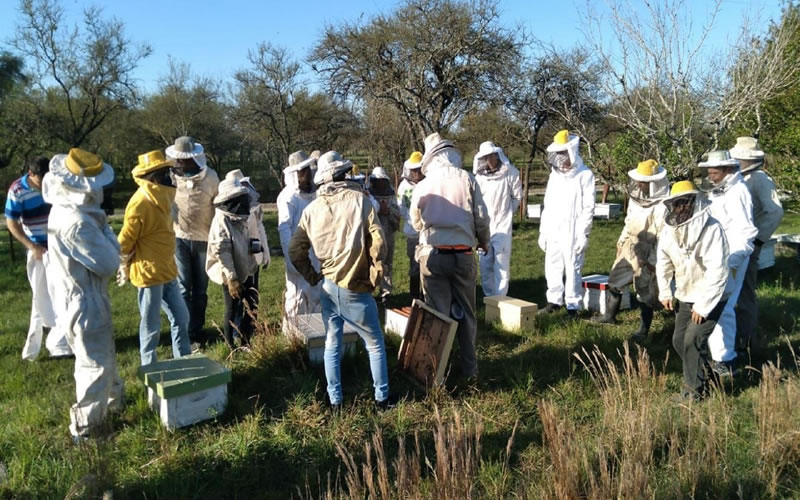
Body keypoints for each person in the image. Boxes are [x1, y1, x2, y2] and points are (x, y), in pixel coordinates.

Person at [288, 151, 392, 409]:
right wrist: (375, 274)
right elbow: (379, 243)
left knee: (332, 344)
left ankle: (336, 401)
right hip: (356, 287)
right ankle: (382, 399)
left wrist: (313, 276)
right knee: (375, 344)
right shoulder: (361, 201)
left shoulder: (312, 209)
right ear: (341, 175)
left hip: (328, 286)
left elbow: (294, 251)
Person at [41, 148, 124, 439]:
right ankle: (86, 430)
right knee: (94, 365)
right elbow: (110, 263)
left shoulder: (63, 209)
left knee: (98, 357)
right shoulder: (78, 223)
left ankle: (113, 407)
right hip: (85, 300)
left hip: (73, 297)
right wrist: (107, 231)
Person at [410, 133, 490, 380]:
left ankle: (435, 373)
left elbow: (415, 222)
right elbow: (481, 217)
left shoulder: (423, 185)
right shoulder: (467, 179)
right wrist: (483, 239)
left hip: (434, 255)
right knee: (467, 313)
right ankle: (470, 370)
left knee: (438, 315)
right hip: (464, 254)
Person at [656, 181, 730, 400]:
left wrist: (704, 305)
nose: (680, 208)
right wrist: (665, 292)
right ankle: (709, 376)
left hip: (712, 296)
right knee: (679, 341)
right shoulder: (669, 230)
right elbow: (663, 261)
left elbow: (718, 270)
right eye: (676, 204)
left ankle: (693, 392)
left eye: (684, 203)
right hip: (686, 294)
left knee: (692, 341)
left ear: (694, 202)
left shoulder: (712, 229)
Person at [118, 150, 191, 365]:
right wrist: (122, 261)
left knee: (181, 317)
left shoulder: (163, 198)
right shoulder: (140, 202)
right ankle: (148, 367)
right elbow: (125, 239)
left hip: (167, 269)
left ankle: (184, 361)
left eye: (167, 171)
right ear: (152, 177)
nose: (168, 176)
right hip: (148, 274)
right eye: (163, 172)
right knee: (151, 326)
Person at [591, 159, 669, 341]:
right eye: (639, 182)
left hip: (650, 249)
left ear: (653, 183)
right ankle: (609, 316)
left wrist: (653, 262)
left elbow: (664, 236)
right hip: (631, 245)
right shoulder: (636, 199)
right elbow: (629, 222)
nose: (639, 186)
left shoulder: (662, 204)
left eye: (643, 183)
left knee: (644, 291)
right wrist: (621, 243)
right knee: (615, 280)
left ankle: (644, 329)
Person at [5, 156, 72, 360]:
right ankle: (50, 340)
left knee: (66, 294)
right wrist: (31, 246)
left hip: (61, 245)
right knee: (42, 298)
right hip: (39, 250)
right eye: (41, 180)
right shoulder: (17, 190)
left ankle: (64, 342)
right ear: (31, 174)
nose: (45, 184)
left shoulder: (57, 181)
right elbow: (12, 222)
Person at [697, 150, 758, 375]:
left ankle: (726, 359)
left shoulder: (738, 192)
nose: (711, 175)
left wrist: (733, 261)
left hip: (733, 257)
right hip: (716, 255)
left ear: (728, 170)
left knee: (725, 307)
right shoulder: (721, 189)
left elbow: (745, 230)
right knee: (713, 304)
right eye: (710, 171)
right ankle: (715, 354)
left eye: (714, 171)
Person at [729, 137, 783, 351]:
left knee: (745, 291)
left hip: (749, 243)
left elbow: (775, 211)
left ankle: (748, 339)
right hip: (736, 243)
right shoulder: (742, 178)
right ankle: (737, 335)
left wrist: (759, 239)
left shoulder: (760, 179)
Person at [167, 136, 219, 345]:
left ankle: (197, 331)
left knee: (200, 290)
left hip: (204, 239)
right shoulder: (170, 178)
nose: (180, 163)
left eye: (184, 159)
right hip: (178, 236)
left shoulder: (211, 178)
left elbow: (218, 206)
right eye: (178, 159)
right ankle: (184, 332)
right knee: (182, 287)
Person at [538, 130, 596, 317]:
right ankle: (554, 300)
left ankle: (573, 305)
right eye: (559, 154)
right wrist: (543, 231)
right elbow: (548, 204)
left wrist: (583, 234)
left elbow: (588, 207)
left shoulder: (585, 175)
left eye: (563, 153)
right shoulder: (555, 175)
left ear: (572, 151)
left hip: (574, 228)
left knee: (573, 266)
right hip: (554, 226)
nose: (560, 158)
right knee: (553, 264)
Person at [206, 176, 261, 348]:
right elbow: (223, 252)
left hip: (246, 267)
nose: (243, 203)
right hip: (230, 272)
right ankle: (231, 348)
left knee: (252, 306)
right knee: (232, 309)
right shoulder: (221, 221)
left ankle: (246, 342)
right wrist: (232, 279)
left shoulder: (239, 217)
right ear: (230, 200)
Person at [472, 141, 522, 297]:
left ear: (496, 154)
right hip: (484, 226)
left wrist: (506, 213)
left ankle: (501, 297)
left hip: (502, 225)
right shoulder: (479, 177)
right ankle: (489, 298)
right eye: (485, 157)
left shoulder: (511, 172)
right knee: (485, 264)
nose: (488, 160)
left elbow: (516, 198)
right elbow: (476, 201)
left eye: (490, 156)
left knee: (501, 262)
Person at [278, 150, 321, 326]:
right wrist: (292, 259)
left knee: (316, 291)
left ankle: (316, 332)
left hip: (315, 251)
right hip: (298, 253)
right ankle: (293, 337)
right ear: (294, 174)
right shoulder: (288, 197)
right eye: (303, 171)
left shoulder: (314, 195)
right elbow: (284, 228)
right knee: (297, 295)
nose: (307, 175)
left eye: (308, 170)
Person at [368, 167, 402, 304]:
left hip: (388, 233)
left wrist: (387, 211)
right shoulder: (368, 195)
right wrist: (377, 209)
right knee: (371, 263)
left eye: (382, 180)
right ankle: (369, 292)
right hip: (372, 235)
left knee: (387, 264)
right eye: (377, 180)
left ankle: (386, 293)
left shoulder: (391, 195)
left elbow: (397, 214)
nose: (380, 183)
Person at [397, 151, 425, 300]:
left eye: (418, 169)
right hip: (412, 232)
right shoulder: (403, 186)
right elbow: (401, 207)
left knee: (427, 264)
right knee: (414, 264)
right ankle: (414, 296)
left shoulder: (430, 182)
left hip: (429, 232)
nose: (416, 173)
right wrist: (411, 219)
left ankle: (426, 295)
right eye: (413, 170)